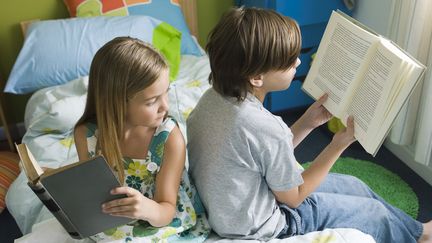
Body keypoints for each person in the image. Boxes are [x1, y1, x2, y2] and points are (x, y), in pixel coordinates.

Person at [187, 7, 432, 243]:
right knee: (373, 213)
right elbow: (294, 198)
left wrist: (306, 122)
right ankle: (421, 237)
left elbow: (263, 152)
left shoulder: (212, 98)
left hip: (237, 206)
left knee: (354, 185)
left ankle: (418, 231)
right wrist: (337, 146)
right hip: (262, 223)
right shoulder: (262, 126)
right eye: (289, 60)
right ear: (256, 77)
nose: (298, 63)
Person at [74, 37, 210, 242]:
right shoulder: (87, 135)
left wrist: (145, 209)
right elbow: (91, 193)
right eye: (152, 101)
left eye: (166, 93)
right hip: (112, 221)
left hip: (160, 219)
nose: (165, 107)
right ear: (117, 102)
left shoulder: (168, 138)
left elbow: (167, 210)